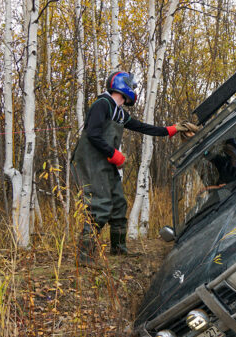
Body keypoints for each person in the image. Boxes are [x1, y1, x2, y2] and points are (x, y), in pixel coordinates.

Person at [72, 71, 197, 266]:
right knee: (100, 205)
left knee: (118, 202)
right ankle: (84, 257)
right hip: (90, 160)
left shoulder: (119, 112)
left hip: (104, 161)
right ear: (124, 87)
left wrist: (172, 129)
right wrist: (114, 153)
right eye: (133, 86)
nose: (135, 90)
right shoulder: (102, 104)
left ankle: (118, 249)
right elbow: (93, 134)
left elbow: (143, 127)